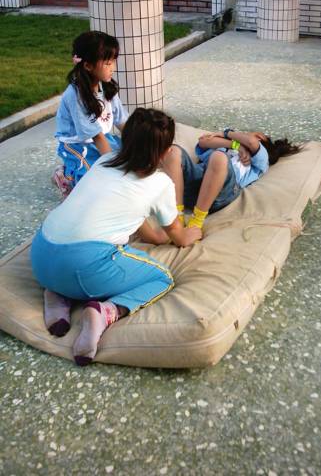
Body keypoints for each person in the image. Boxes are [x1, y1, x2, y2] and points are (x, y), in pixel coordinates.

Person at [31, 108, 202, 366]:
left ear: (125, 139)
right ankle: (105, 312)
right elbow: (178, 237)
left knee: (71, 262)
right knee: (162, 279)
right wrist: (193, 233)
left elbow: (130, 210)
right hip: (83, 266)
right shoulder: (161, 184)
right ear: (166, 152)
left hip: (41, 255)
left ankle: (57, 295)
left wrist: (155, 238)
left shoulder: (105, 160)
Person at [162, 128, 302, 229]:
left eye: (246, 133)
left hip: (222, 191)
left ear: (260, 137)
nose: (243, 134)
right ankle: (177, 215)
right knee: (172, 151)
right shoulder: (226, 147)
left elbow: (251, 142)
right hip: (194, 185)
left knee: (219, 158)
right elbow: (203, 141)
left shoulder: (261, 159)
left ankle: (196, 221)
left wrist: (227, 133)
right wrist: (235, 145)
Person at [52, 31, 128, 197]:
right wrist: (113, 169)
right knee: (92, 181)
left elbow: (123, 122)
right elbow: (96, 137)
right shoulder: (76, 95)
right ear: (88, 66)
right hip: (76, 144)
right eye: (108, 63)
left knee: (131, 159)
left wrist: (141, 144)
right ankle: (65, 176)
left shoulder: (106, 86)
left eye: (113, 62)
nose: (113, 68)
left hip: (102, 138)